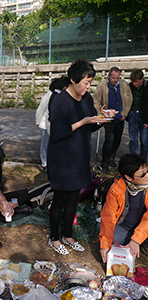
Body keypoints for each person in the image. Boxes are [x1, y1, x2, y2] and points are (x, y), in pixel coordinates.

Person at [47, 58, 116, 255]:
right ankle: (55, 237)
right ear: (72, 80)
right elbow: (57, 133)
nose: (88, 87)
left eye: (90, 83)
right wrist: (82, 121)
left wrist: (102, 119)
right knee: (60, 199)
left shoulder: (86, 98)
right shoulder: (60, 101)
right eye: (85, 83)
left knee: (73, 200)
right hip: (62, 159)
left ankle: (68, 235)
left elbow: (91, 125)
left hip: (79, 157)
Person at [99, 153, 148, 263]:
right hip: (125, 227)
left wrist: (136, 240)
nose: (147, 176)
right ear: (128, 178)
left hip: (144, 228)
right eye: (142, 175)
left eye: (147, 171)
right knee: (112, 243)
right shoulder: (116, 189)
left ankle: (143, 243)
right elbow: (108, 217)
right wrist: (105, 245)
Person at [93, 67, 133, 173]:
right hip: (108, 118)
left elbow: (129, 99)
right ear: (109, 76)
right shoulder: (102, 85)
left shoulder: (124, 84)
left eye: (117, 78)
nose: (115, 80)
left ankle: (112, 157)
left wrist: (124, 114)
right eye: (113, 78)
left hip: (120, 117)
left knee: (117, 138)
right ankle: (104, 163)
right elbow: (96, 101)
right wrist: (100, 115)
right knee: (109, 139)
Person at [0, 146, 35, 215]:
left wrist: (5, 201)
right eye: (2, 157)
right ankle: (16, 209)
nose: (4, 159)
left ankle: (24, 204)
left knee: (23, 193)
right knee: (27, 210)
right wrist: (6, 205)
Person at [35, 79, 56, 170]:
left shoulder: (56, 95)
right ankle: (44, 162)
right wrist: (38, 121)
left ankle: (49, 161)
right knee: (45, 144)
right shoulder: (47, 96)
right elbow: (40, 110)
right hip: (44, 124)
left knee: (50, 145)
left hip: (51, 125)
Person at [128, 69, 148, 159]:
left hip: (144, 117)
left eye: (136, 82)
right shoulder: (130, 86)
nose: (134, 84)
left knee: (144, 141)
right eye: (132, 82)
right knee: (133, 140)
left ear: (142, 79)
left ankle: (143, 161)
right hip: (132, 115)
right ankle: (135, 161)